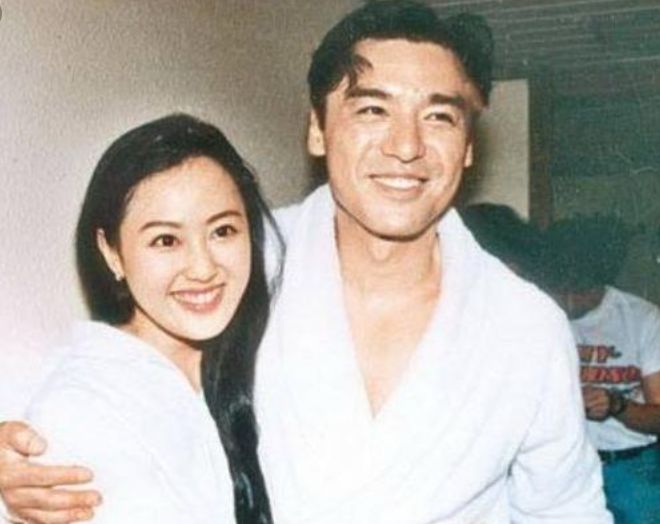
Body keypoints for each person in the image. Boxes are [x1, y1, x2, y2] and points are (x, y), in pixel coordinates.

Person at [1, 2, 611, 523]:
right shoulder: (242, 265)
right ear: (317, 129)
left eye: (439, 116)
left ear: (469, 146)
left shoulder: (525, 328)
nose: (406, 147)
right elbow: (121, 367)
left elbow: (567, 511)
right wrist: (21, 447)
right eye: (372, 110)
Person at [2, 114, 280, 523]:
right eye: (166, 240)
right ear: (111, 252)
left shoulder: (266, 352)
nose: (203, 267)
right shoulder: (83, 411)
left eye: (222, 231)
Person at [543, 215, 660, 523]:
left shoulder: (642, 319)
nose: (568, 301)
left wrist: (616, 405)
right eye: (561, 289)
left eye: (579, 289)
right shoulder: (541, 316)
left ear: (598, 279)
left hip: (631, 470)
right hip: (564, 469)